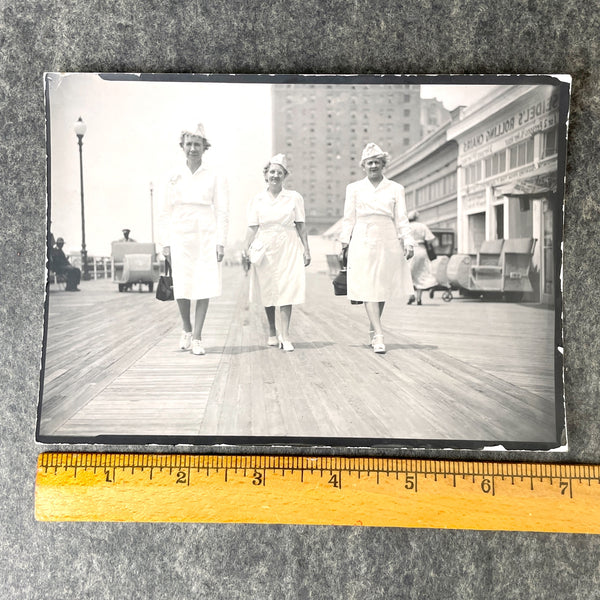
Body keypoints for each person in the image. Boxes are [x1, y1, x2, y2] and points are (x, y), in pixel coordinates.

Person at [158, 123, 229, 356]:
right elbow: (164, 211)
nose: (192, 148)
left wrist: (221, 241)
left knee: (204, 284)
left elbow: (222, 211)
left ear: (204, 147)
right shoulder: (172, 175)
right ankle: (186, 329)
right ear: (182, 146)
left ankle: (198, 337)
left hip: (205, 233)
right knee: (182, 284)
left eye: (197, 144)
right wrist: (165, 242)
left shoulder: (215, 175)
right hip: (179, 233)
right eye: (188, 144)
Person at [340, 143, 414, 353]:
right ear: (363, 166)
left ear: (383, 165)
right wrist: (344, 242)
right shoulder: (353, 188)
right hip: (362, 237)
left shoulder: (395, 188)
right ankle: (380, 335)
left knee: (381, 285)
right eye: (369, 163)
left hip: (387, 236)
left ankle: (373, 328)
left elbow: (402, 218)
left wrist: (408, 241)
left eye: (377, 162)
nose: (373, 166)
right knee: (368, 285)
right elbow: (348, 218)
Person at [243, 154, 311, 352]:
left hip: (288, 245)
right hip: (265, 247)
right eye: (272, 172)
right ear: (266, 175)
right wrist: (244, 246)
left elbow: (301, 225)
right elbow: (252, 227)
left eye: (279, 173)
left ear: (285, 176)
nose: (275, 175)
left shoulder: (294, 197)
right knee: (269, 289)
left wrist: (306, 249)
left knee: (287, 289)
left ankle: (285, 335)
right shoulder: (257, 199)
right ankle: (272, 331)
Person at [407, 211, 438, 305]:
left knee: (409, 274)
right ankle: (419, 299)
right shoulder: (422, 226)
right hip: (421, 250)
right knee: (421, 273)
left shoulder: (407, 227)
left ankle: (411, 295)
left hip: (411, 249)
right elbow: (431, 239)